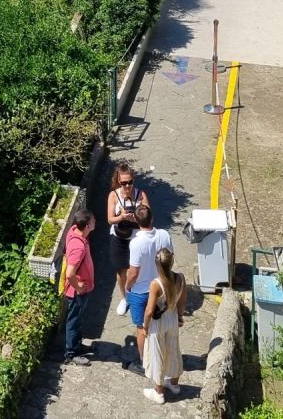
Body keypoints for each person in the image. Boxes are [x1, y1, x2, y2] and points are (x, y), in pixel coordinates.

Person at [124, 203, 172, 372]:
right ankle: (163, 357)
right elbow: (169, 260)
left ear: (136, 221)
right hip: (161, 287)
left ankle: (146, 363)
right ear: (152, 218)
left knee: (141, 328)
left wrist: (127, 288)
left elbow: (133, 273)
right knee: (159, 325)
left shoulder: (136, 243)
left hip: (140, 292)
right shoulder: (165, 235)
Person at [141, 246, 188, 404]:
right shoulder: (180, 278)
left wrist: (145, 326)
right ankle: (174, 384)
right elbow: (182, 302)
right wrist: (180, 317)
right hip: (173, 319)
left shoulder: (156, 284)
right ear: (172, 262)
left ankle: (159, 392)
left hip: (158, 323)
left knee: (157, 354)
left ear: (157, 265)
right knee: (174, 350)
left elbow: (149, 310)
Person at [106, 162, 148, 315]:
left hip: (136, 239)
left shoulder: (141, 195)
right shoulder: (114, 195)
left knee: (136, 270)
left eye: (130, 182)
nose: (127, 186)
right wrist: (121, 217)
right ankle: (124, 298)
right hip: (119, 238)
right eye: (123, 183)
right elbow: (110, 219)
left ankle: (137, 296)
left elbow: (148, 218)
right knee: (121, 271)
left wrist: (134, 219)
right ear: (118, 181)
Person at [61, 210, 96, 363]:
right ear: (87, 226)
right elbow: (70, 273)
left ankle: (76, 345)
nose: (95, 222)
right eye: (93, 221)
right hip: (77, 293)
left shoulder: (74, 231)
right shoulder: (78, 247)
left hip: (80, 290)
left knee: (77, 319)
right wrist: (78, 287)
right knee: (74, 321)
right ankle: (71, 353)